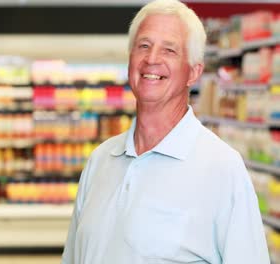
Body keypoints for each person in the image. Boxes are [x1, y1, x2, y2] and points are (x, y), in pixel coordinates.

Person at [61, 0, 270, 263]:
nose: (151, 59)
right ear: (130, 60)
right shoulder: (100, 160)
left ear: (193, 72)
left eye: (169, 50)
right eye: (144, 46)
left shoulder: (222, 168)